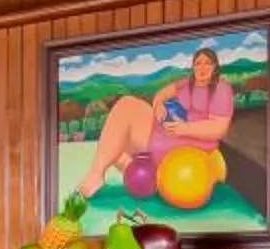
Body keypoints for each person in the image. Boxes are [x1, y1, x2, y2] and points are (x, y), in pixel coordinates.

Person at [79, 45, 236, 191]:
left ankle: (97, 174)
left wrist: (185, 129)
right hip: (168, 132)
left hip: (190, 144)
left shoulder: (221, 88)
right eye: (198, 63)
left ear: (215, 67)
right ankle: (132, 170)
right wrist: (159, 104)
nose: (202, 68)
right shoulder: (187, 83)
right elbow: (163, 93)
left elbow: (219, 128)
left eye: (207, 63)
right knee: (126, 104)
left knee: (119, 132)